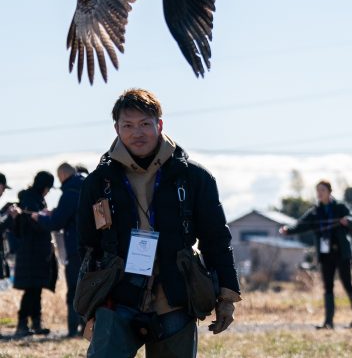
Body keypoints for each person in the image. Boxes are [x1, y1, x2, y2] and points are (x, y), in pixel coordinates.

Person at [77, 88, 241, 357]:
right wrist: (89, 305)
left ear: (159, 124)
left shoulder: (194, 177)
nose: (137, 133)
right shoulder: (98, 181)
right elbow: (86, 245)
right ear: (116, 128)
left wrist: (227, 297)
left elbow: (216, 239)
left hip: (175, 296)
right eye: (128, 125)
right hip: (116, 298)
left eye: (145, 124)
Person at [280, 180, 352, 329]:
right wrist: (288, 230)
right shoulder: (315, 212)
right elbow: (300, 225)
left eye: (322, 190)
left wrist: (348, 221)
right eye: (317, 190)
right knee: (328, 287)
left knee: (347, 285)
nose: (319, 193)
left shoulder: (340, 207)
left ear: (329, 192)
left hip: (342, 253)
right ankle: (328, 322)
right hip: (325, 255)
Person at [32, 163, 86, 337]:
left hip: (75, 249)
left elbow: (57, 222)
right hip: (90, 248)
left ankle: (73, 329)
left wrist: (39, 217)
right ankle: (86, 327)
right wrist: (54, 213)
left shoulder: (69, 193)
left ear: (62, 176)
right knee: (89, 289)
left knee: (74, 290)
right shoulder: (86, 187)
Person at [12, 171, 56, 337]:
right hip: (31, 252)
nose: (49, 191)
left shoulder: (33, 198)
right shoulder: (31, 199)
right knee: (31, 289)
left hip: (34, 252)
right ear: (45, 186)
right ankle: (23, 325)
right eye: (49, 188)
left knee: (35, 289)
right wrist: (46, 218)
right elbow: (33, 224)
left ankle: (36, 324)